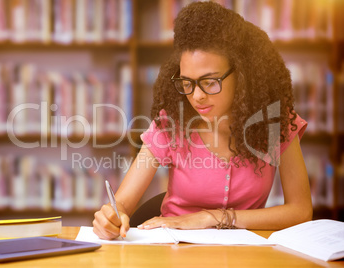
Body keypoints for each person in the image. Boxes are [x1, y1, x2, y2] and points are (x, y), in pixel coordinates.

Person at [93, 1, 312, 240]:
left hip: (244, 256)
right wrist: (111, 217)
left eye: (209, 82)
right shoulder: (172, 124)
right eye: (187, 83)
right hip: (174, 249)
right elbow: (122, 203)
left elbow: (300, 211)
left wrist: (212, 217)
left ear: (242, 74)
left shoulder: (275, 123)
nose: (196, 96)